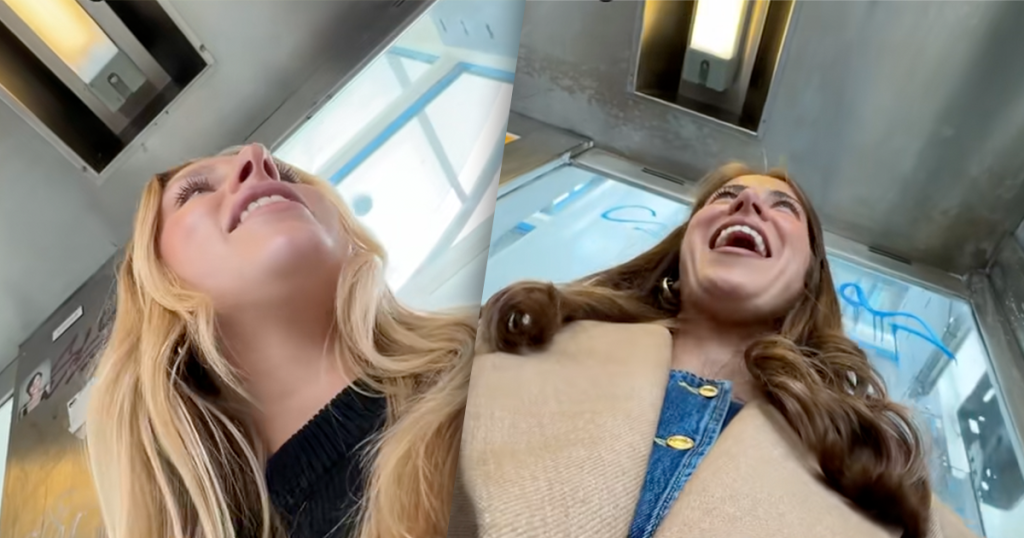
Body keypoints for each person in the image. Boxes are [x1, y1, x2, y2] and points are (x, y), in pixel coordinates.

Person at [449, 163, 977, 538]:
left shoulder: (875, 476)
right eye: (724, 197)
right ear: (682, 253)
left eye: (784, 207)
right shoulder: (514, 344)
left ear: (808, 277)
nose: (746, 203)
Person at [85, 144, 475, 538]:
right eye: (196, 191)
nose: (257, 157)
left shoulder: (483, 357)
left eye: (286, 175)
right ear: (155, 290)